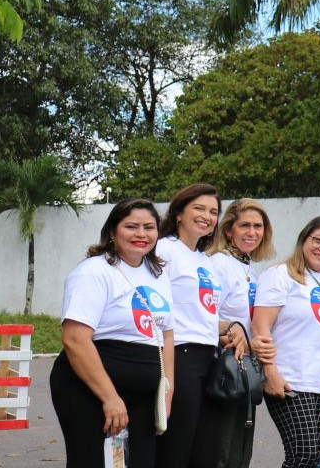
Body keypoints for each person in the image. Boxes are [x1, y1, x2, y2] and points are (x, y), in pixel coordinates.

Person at [53, 199, 174, 468]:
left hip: (144, 395)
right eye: (131, 226)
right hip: (90, 390)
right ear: (112, 232)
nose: (141, 234)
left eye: (149, 227)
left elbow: (165, 335)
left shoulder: (158, 274)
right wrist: (110, 398)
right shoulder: (93, 272)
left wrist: (167, 391)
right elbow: (75, 339)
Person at [252, 216, 320, 468]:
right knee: (303, 454)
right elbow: (260, 327)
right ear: (303, 240)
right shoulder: (280, 275)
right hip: (291, 379)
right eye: (317, 240)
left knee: (312, 457)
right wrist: (270, 372)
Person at [157, 183, 243, 467]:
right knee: (176, 447)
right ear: (179, 213)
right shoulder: (164, 249)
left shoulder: (202, 259)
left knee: (206, 450)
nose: (207, 216)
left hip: (209, 358)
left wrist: (233, 327)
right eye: (199, 208)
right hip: (179, 355)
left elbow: (202, 315)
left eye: (213, 211)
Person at [208, 198, 276, 468]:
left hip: (245, 364)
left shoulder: (248, 266)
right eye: (245, 225)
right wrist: (230, 335)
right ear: (228, 230)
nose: (252, 232)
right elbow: (207, 314)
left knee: (241, 446)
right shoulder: (219, 264)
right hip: (223, 365)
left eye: (258, 226)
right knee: (222, 448)